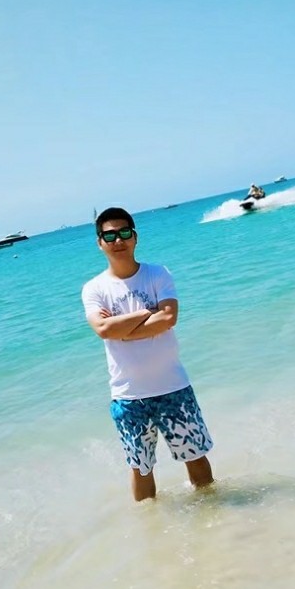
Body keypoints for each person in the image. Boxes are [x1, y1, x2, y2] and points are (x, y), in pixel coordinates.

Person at [81, 207, 215, 501]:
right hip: (128, 396)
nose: (118, 240)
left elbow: (168, 318)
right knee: (141, 468)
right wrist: (145, 313)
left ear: (135, 236)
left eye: (124, 232)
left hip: (173, 387)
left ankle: (214, 516)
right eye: (110, 235)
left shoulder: (158, 273)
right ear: (100, 242)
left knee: (195, 456)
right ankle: (150, 523)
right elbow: (103, 329)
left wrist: (122, 330)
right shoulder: (94, 289)